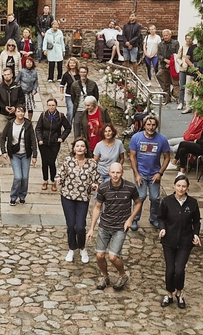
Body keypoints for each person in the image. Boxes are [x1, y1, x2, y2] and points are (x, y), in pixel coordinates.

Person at [86, 162, 141, 291]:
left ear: (122, 173)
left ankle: (122, 275)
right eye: (113, 172)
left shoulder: (130, 187)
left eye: (118, 172)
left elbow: (138, 203)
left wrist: (130, 219)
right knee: (99, 255)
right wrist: (91, 228)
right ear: (109, 173)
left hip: (120, 227)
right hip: (105, 225)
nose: (115, 175)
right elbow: (97, 207)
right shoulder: (103, 188)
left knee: (113, 257)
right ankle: (105, 276)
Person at [157, 174, 201, 309]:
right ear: (174, 186)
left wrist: (196, 234)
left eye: (184, 186)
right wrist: (163, 229)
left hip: (185, 242)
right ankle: (169, 294)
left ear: (187, 188)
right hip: (169, 241)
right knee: (170, 270)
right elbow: (161, 218)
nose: (181, 189)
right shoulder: (166, 201)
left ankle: (179, 292)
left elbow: (196, 221)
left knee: (179, 270)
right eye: (179, 186)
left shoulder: (192, 203)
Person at [56, 137, 100, 263]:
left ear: (86, 149)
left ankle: (82, 247)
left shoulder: (92, 163)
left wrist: (95, 185)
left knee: (80, 226)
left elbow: (97, 178)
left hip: (83, 198)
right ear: (74, 148)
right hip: (67, 196)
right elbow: (60, 174)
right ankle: (71, 248)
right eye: (77, 146)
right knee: (71, 225)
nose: (80, 148)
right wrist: (58, 179)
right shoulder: (68, 161)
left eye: (82, 146)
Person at [129, 114, 170, 231]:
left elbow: (167, 157)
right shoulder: (136, 138)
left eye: (153, 125)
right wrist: (136, 174)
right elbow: (132, 157)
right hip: (141, 172)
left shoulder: (162, 139)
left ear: (156, 126)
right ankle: (134, 219)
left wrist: (160, 173)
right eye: (148, 124)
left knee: (155, 198)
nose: (151, 127)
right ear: (144, 125)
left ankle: (154, 218)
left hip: (154, 173)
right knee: (140, 197)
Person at [1, 105, 37, 206]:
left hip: (26, 154)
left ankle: (22, 196)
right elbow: (3, 137)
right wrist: (4, 151)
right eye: (18, 111)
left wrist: (34, 155)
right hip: (15, 154)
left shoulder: (28, 124)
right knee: (18, 177)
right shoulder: (10, 124)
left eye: (22, 112)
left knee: (25, 177)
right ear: (15, 113)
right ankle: (13, 196)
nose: (20, 114)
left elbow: (33, 140)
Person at [36, 98, 71, 192]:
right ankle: (45, 180)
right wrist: (39, 139)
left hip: (54, 142)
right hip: (43, 142)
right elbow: (38, 128)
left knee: (51, 162)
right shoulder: (43, 115)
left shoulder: (60, 116)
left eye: (53, 105)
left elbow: (68, 128)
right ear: (47, 106)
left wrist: (62, 138)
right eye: (49, 105)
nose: (51, 107)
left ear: (56, 106)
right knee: (44, 162)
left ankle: (53, 181)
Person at [0, 67, 24, 157]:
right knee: (1, 131)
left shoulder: (17, 87)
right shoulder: (0, 87)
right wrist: (4, 107)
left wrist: (16, 107)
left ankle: (14, 146)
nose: (6, 76)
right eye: (5, 75)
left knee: (15, 132)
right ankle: (0, 146)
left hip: (15, 113)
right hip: (4, 113)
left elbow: (22, 99)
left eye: (8, 74)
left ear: (12, 75)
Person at [69, 65, 99, 138]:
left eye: (84, 72)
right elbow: (73, 97)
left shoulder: (93, 84)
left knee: (89, 126)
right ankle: (77, 141)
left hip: (89, 109)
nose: (83, 74)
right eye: (81, 72)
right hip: (79, 108)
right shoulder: (74, 84)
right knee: (76, 124)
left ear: (87, 73)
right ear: (79, 73)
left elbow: (96, 96)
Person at [156, 28, 180, 105]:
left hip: (173, 66)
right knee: (165, 83)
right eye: (164, 35)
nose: (165, 37)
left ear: (170, 35)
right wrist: (165, 60)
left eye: (166, 35)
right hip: (164, 66)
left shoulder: (175, 43)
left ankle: (177, 98)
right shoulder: (160, 44)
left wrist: (170, 63)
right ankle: (167, 97)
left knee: (175, 83)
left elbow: (177, 54)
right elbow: (159, 55)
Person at [176, 34, 196, 112]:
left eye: (190, 39)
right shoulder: (182, 47)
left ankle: (191, 103)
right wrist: (181, 63)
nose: (188, 40)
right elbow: (178, 57)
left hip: (190, 69)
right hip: (183, 68)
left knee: (191, 87)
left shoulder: (194, 47)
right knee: (182, 86)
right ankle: (181, 102)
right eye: (187, 39)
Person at [59, 58, 80, 125]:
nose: (72, 64)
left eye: (73, 63)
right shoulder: (66, 75)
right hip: (69, 95)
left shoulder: (80, 73)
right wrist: (62, 94)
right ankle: (68, 125)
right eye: (70, 63)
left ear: (76, 64)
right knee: (70, 112)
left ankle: (77, 124)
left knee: (78, 111)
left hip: (79, 96)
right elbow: (62, 85)